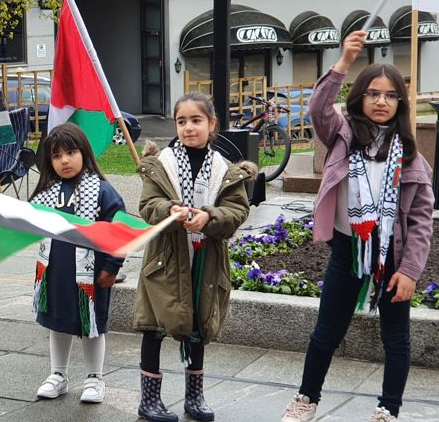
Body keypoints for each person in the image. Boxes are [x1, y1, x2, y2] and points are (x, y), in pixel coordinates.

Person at [281, 31, 433, 422]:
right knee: (325, 333)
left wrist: (411, 271)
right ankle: (305, 400)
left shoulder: (412, 158)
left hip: (393, 257)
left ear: (400, 103)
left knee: (396, 338)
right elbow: (317, 108)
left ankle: (388, 410)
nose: (381, 101)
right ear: (359, 97)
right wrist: (344, 62)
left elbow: (419, 222)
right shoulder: (343, 136)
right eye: (373, 93)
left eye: (390, 95)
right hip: (348, 251)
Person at [133, 93, 255, 422]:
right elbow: (147, 206)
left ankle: (194, 396)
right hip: (166, 260)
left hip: (205, 259)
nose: (188, 128)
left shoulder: (224, 170)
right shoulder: (163, 166)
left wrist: (209, 217)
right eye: (182, 121)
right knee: (154, 326)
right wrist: (168, 210)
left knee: (198, 324)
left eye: (196, 120)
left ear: (212, 125)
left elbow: (237, 210)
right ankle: (149, 400)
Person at [30, 123, 126, 404]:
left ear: (84, 152)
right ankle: (58, 375)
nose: (64, 160)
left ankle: (95, 378)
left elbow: (119, 230)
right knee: (57, 322)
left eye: (70, 152)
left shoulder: (102, 192)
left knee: (91, 324)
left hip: (92, 275)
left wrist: (112, 266)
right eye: (56, 156)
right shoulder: (47, 192)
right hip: (55, 272)